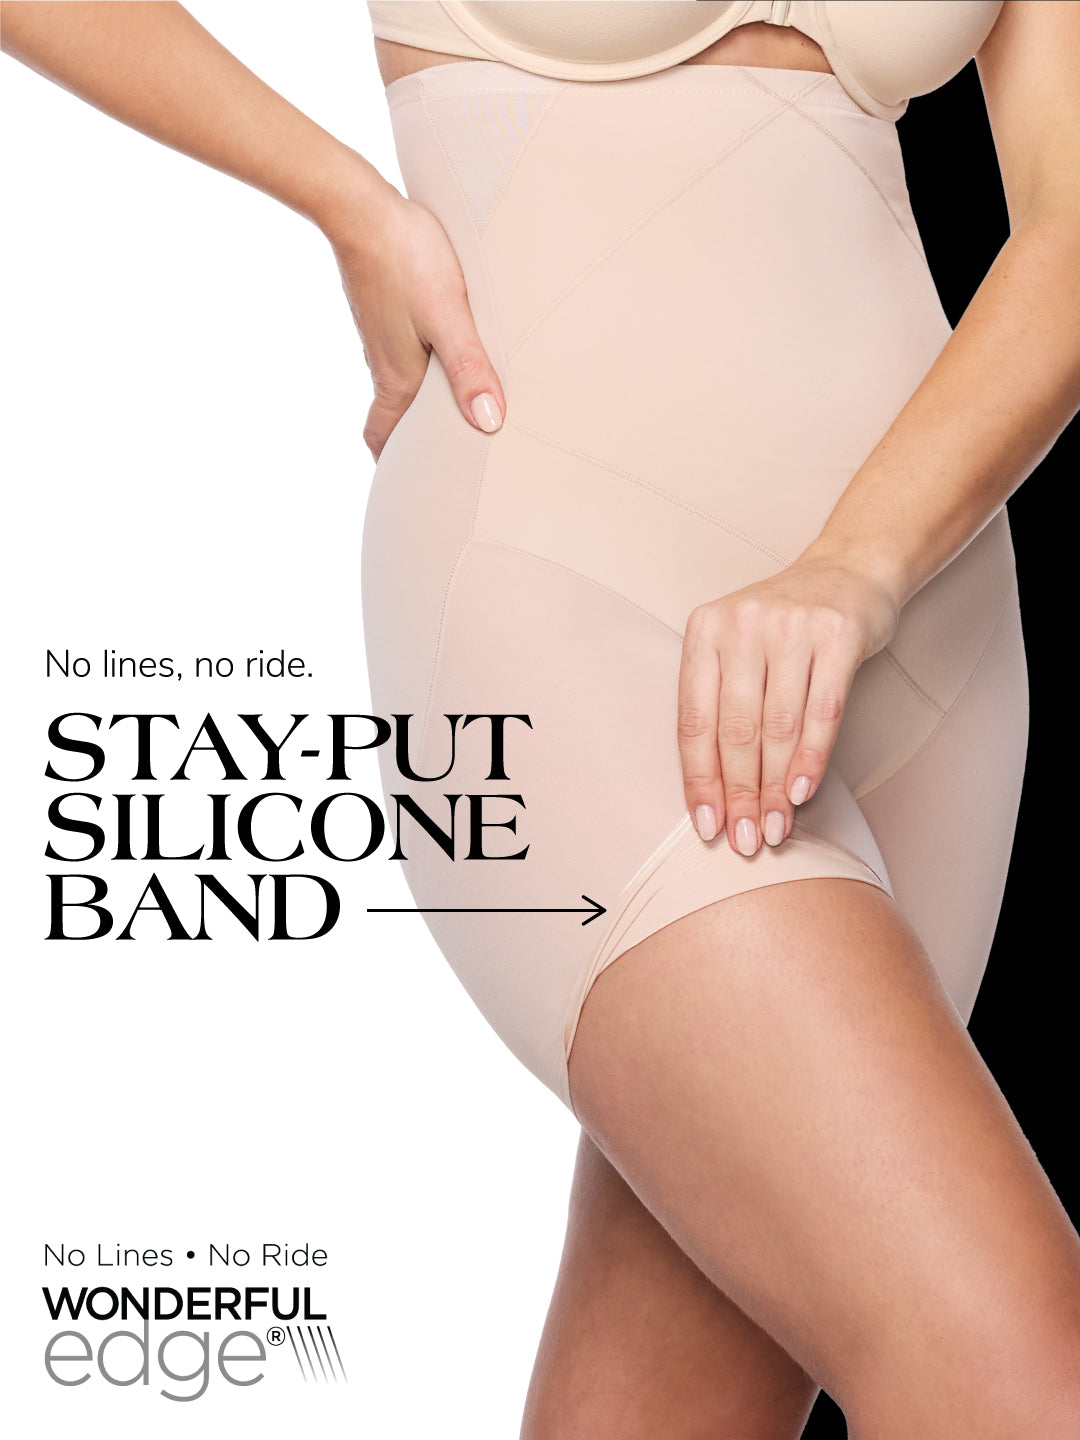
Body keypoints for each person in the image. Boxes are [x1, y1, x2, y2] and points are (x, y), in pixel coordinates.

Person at [4, 2, 1079, 1434]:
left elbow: (1071, 226)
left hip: (921, 624)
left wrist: (857, 567)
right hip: (568, 583)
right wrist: (346, 200)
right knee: (1018, 1370)